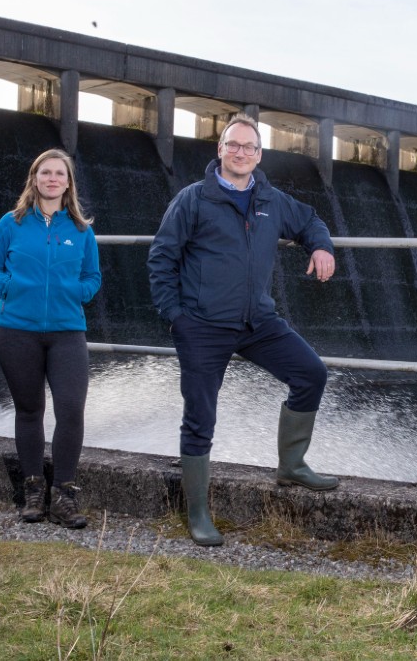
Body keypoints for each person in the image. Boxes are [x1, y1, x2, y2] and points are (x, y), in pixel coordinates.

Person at [147, 112, 339, 547]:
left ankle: (292, 465)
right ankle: (198, 512)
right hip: (202, 326)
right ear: (220, 150)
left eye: (248, 147)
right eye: (232, 145)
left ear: (258, 155)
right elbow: (162, 258)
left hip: (258, 321)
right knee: (200, 417)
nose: (240, 153)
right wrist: (176, 317)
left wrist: (322, 246)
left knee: (311, 374)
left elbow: (310, 221)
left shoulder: (270, 199)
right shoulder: (194, 199)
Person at [0, 149, 101, 529]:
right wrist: (11, 287)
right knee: (29, 410)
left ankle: (64, 496)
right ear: (34, 179)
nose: (51, 179)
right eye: (45, 173)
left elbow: (93, 277)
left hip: (67, 333)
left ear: (68, 183)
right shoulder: (11, 223)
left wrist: (76, 293)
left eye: (58, 174)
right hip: (16, 331)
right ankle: (33, 491)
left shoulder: (81, 230)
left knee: (70, 409)